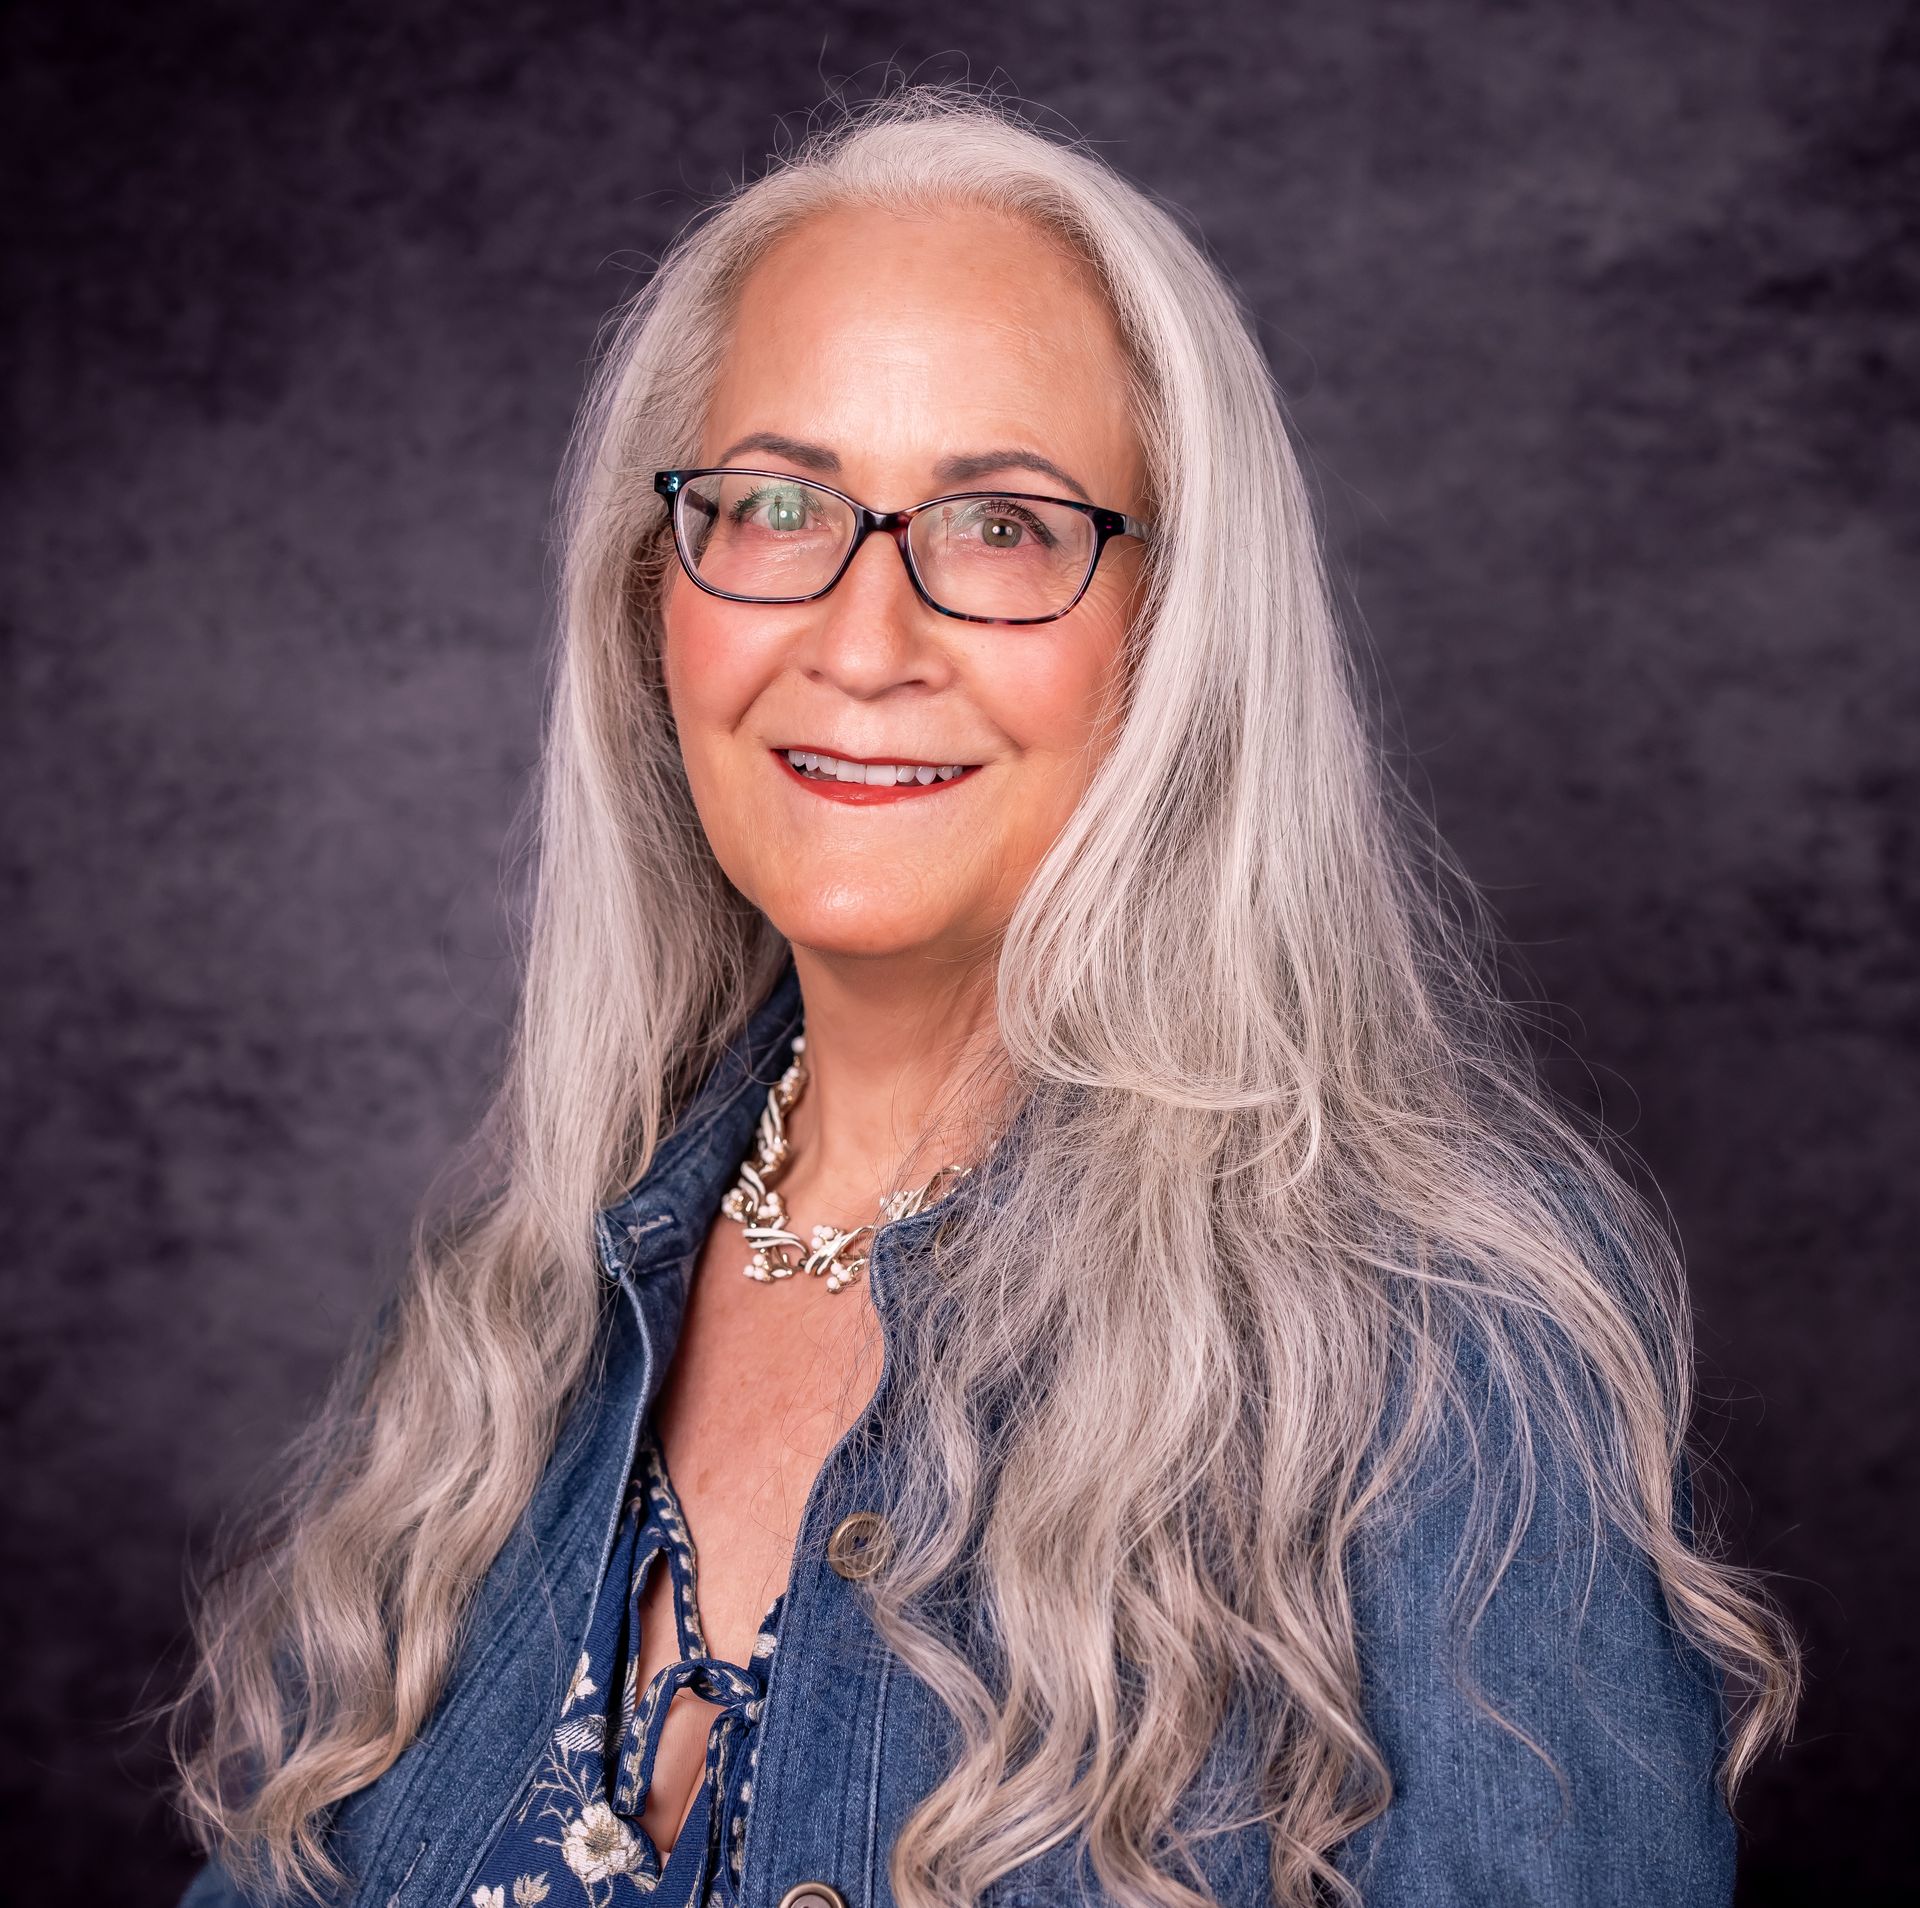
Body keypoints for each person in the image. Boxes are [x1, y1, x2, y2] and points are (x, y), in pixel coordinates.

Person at [164, 84, 1798, 1908]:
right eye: (778, 505)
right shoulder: (513, 1314)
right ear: (654, 601)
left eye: (1007, 527)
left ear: (1174, 636)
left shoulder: (1436, 1344)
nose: (863, 645)